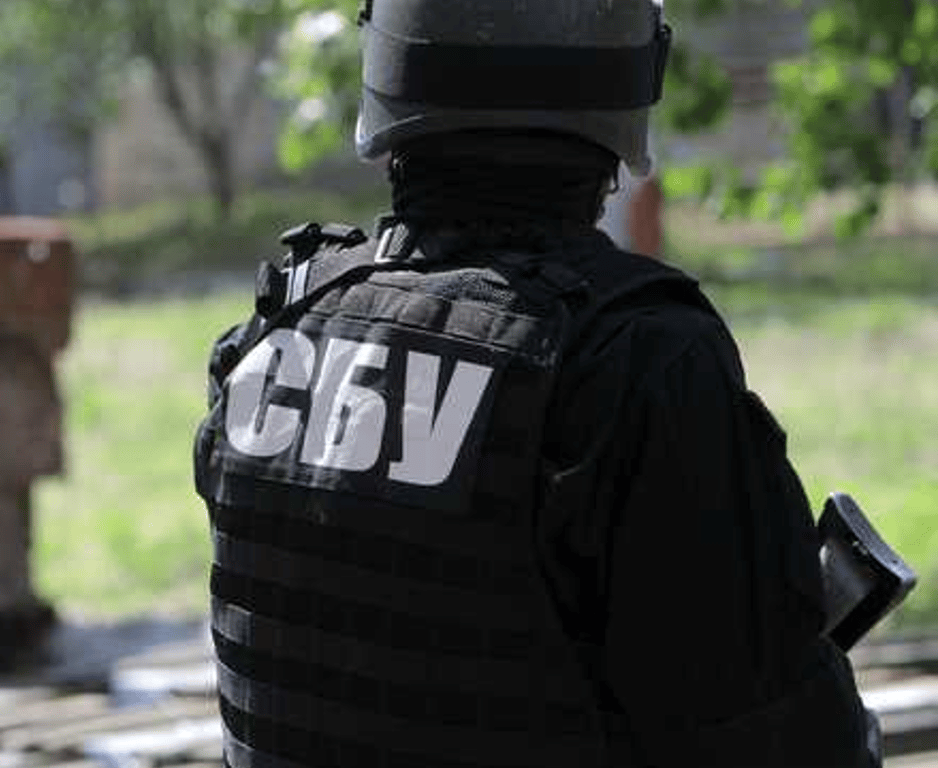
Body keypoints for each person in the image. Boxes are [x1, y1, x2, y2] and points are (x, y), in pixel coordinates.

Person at [193, 0, 881, 765]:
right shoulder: (638, 361)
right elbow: (773, 740)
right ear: (627, 86)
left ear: (387, 67)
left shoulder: (272, 335)